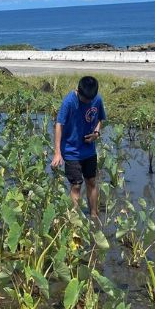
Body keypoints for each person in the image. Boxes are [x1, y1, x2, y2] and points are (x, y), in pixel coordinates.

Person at [51, 76, 107, 219]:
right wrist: (57, 153)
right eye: (85, 100)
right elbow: (59, 124)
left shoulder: (97, 99)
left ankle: (94, 216)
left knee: (91, 181)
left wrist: (96, 133)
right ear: (78, 91)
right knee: (76, 185)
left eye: (90, 100)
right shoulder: (69, 101)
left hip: (89, 150)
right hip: (71, 150)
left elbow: (100, 119)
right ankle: (74, 221)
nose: (87, 102)